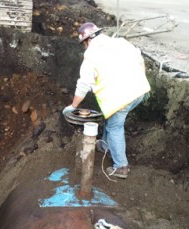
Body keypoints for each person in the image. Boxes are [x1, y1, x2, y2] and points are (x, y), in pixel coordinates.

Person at [63, 22, 150, 179]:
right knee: (110, 120)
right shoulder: (120, 42)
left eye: (84, 44)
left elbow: (83, 85)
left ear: (87, 40)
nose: (84, 47)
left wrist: (73, 106)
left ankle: (121, 166)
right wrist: (141, 80)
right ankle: (104, 146)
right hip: (140, 91)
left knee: (114, 127)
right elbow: (140, 59)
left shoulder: (91, 56)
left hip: (122, 98)